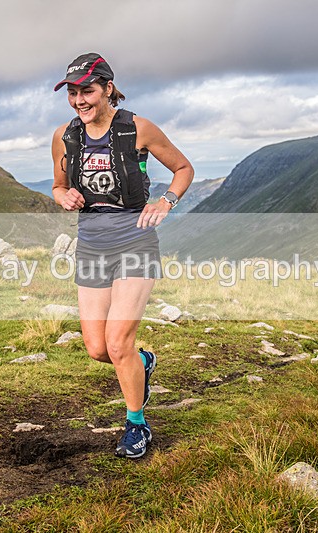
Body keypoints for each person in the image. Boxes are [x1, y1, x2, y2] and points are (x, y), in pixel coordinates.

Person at [51, 53, 194, 459]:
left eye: (87, 91)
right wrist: (63, 196)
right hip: (92, 245)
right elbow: (58, 186)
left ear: (108, 88)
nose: (79, 100)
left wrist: (166, 201)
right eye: (73, 93)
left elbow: (183, 168)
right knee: (98, 349)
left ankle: (136, 424)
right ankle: (142, 361)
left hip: (135, 243)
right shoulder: (64, 136)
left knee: (117, 344)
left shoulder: (138, 128)